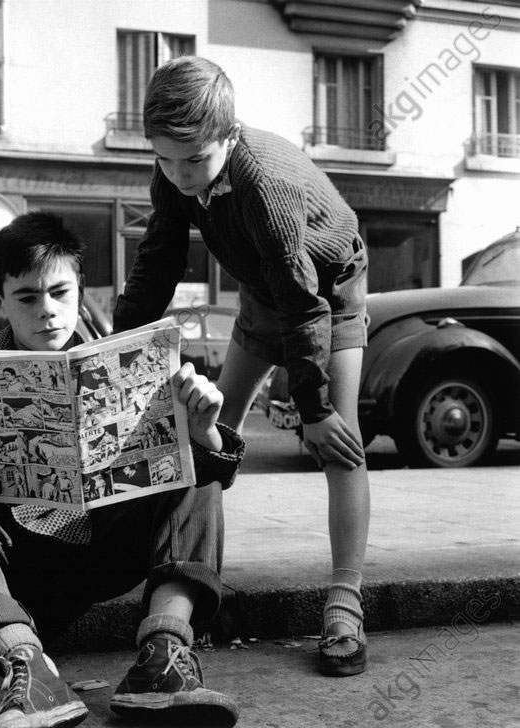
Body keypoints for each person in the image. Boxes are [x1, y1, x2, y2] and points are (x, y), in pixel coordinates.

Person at [0, 211, 246, 728]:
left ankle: (163, 658)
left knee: (195, 462)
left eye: (60, 292)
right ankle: (27, 668)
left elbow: (219, 473)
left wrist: (204, 430)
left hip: (109, 546)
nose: (49, 312)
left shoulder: (129, 361)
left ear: (80, 290)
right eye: (28, 297)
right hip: (8, 559)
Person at [113, 55, 370, 678]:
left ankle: (345, 602)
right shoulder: (177, 169)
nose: (177, 177)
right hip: (264, 289)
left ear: (228, 136)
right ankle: (194, 586)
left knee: (341, 444)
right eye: (164, 159)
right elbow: (159, 260)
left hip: (327, 292)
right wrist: (116, 348)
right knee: (208, 438)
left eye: (192, 161)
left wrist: (312, 408)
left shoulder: (266, 184)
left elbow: (304, 301)